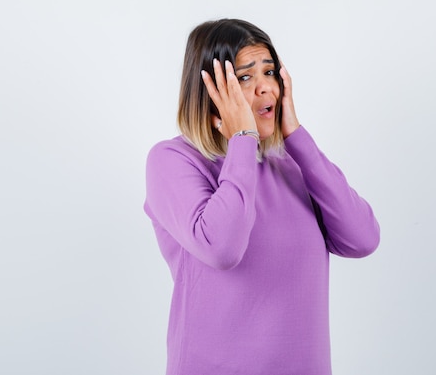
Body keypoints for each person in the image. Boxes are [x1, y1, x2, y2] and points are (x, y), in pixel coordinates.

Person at [143, 18, 380, 375]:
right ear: (210, 91)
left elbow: (363, 239)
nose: (265, 89)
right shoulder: (172, 161)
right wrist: (242, 140)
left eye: (270, 72)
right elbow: (222, 248)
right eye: (245, 77)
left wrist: (296, 137)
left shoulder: (291, 166)